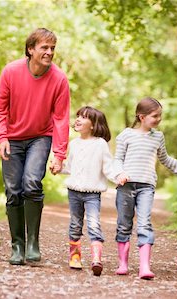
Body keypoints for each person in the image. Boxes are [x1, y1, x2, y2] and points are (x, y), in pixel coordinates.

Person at [0, 28, 70, 265]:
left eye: (52, 48)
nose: (49, 52)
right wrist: (2, 137)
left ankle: (33, 242)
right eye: (44, 47)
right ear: (31, 49)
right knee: (13, 189)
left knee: (32, 182)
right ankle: (17, 245)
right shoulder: (11, 71)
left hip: (40, 137)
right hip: (12, 138)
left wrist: (59, 154)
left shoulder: (59, 78)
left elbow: (61, 118)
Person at [114, 97, 177, 280]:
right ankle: (123, 264)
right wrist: (120, 173)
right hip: (125, 186)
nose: (158, 119)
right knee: (124, 224)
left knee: (144, 223)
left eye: (160, 116)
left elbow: (165, 159)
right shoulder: (126, 135)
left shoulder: (158, 137)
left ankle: (144, 267)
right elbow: (117, 160)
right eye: (155, 116)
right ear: (141, 117)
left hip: (147, 186)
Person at [56, 106, 128, 276]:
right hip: (73, 191)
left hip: (92, 194)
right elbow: (70, 167)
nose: (78, 119)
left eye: (84, 117)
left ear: (94, 125)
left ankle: (96, 259)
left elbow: (107, 167)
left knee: (94, 224)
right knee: (75, 224)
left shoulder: (101, 144)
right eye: (78, 116)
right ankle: (75, 257)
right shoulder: (73, 144)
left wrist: (118, 176)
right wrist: (58, 168)